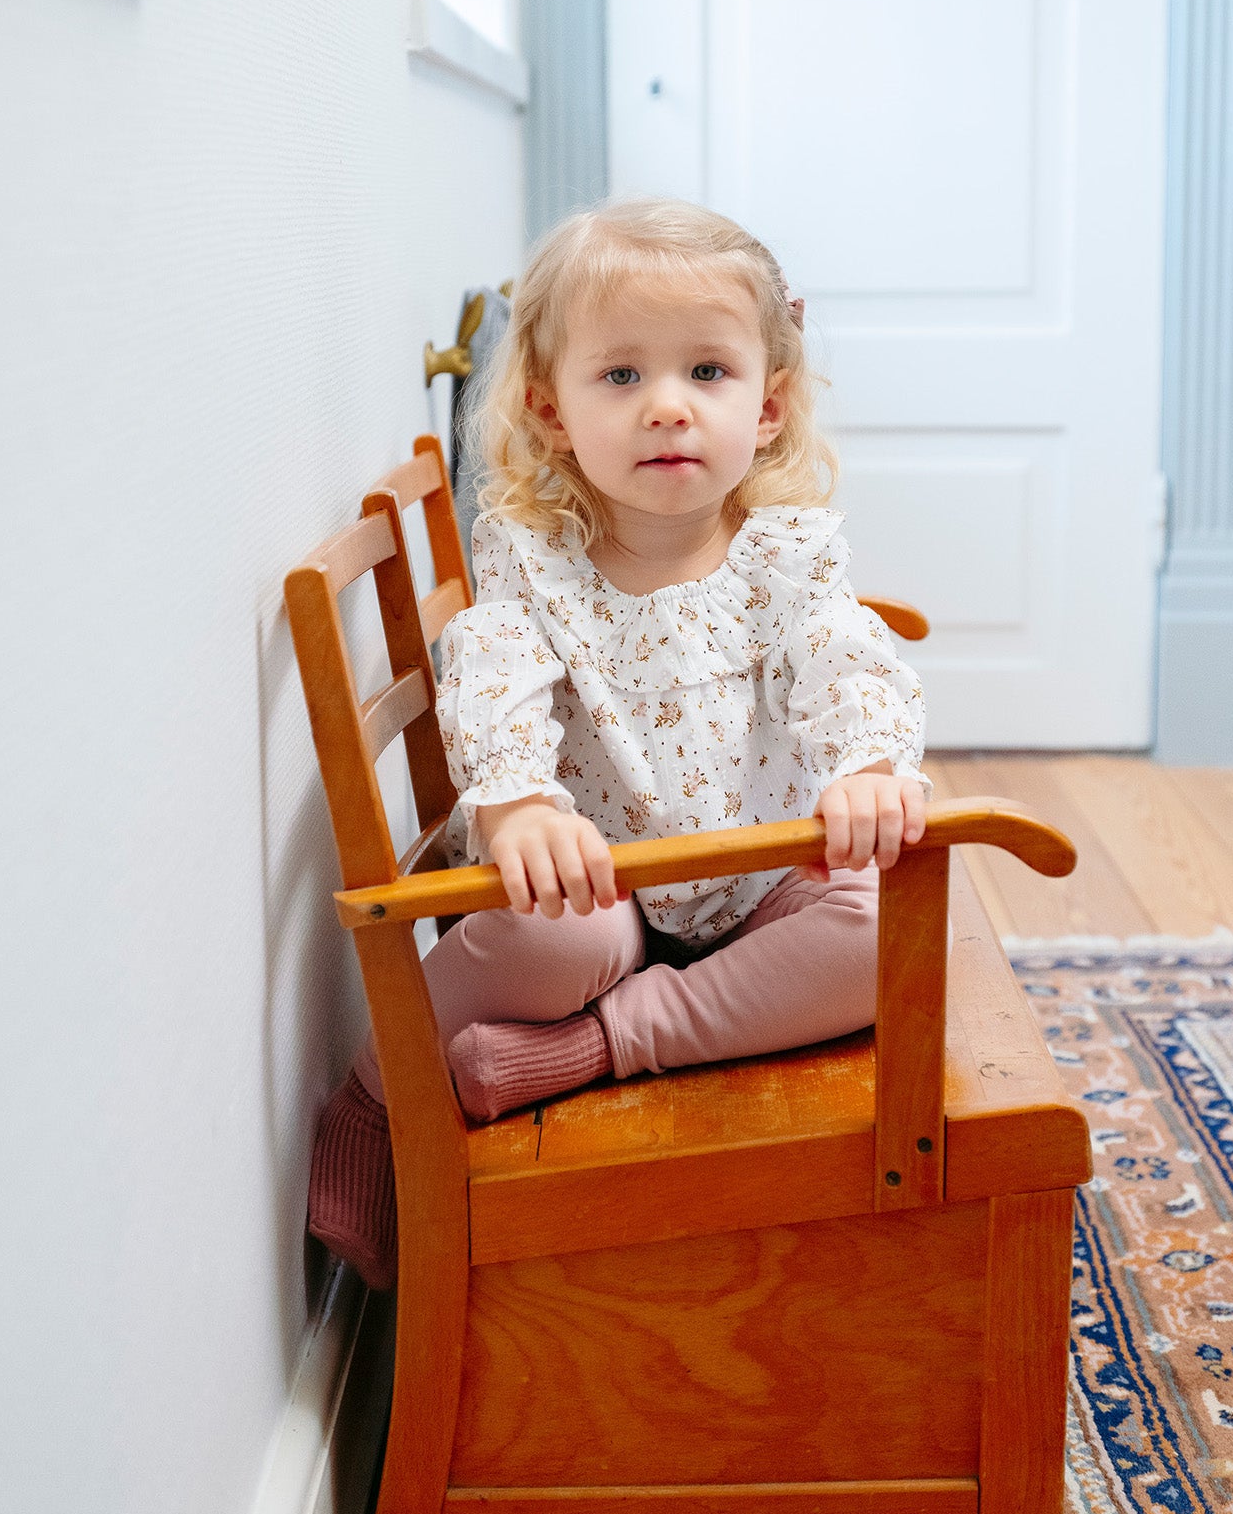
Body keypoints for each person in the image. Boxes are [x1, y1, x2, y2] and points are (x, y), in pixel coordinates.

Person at [308, 199, 929, 1287]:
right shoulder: (535, 560)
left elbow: (848, 661)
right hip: (601, 883)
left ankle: (593, 1047)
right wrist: (519, 803)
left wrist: (865, 766)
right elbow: (490, 671)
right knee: (554, 940)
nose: (668, 409)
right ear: (551, 411)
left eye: (707, 372)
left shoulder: (787, 555)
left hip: (756, 874)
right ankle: (379, 1084)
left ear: (770, 406)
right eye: (622, 377)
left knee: (883, 931)